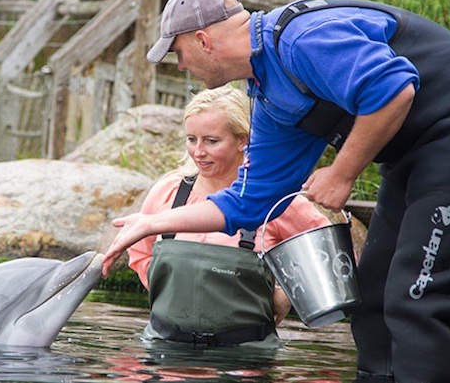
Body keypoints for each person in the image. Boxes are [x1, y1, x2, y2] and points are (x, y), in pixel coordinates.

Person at [102, 0, 450, 383]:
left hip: (449, 140)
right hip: (408, 158)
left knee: (415, 298)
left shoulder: (301, 39)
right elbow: (249, 203)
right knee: (373, 297)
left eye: (177, 52)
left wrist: (341, 175)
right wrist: (151, 224)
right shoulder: (270, 95)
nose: (180, 65)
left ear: (202, 40)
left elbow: (394, 88)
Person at [127, 85, 329, 345]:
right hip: (164, 346)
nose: (198, 152)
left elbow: (326, 257)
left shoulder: (273, 199)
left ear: (242, 140)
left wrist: (286, 295)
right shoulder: (170, 191)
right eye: (191, 139)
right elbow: (140, 252)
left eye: (211, 141)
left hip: (245, 355)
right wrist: (170, 295)